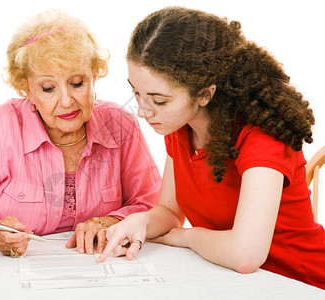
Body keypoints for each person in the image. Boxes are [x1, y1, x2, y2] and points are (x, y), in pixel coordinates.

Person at [97, 6, 325, 289]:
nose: (143, 111)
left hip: (300, 284)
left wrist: (186, 237)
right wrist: (140, 221)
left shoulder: (262, 137)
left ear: (205, 93)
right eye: (136, 93)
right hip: (236, 282)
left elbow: (245, 255)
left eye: (159, 100)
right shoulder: (179, 127)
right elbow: (169, 212)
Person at [0, 10, 161, 258]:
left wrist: (106, 222)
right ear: (25, 87)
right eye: (48, 88)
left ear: (94, 76)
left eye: (77, 83)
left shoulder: (120, 124)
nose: (66, 101)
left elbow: (154, 206)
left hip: (100, 266)